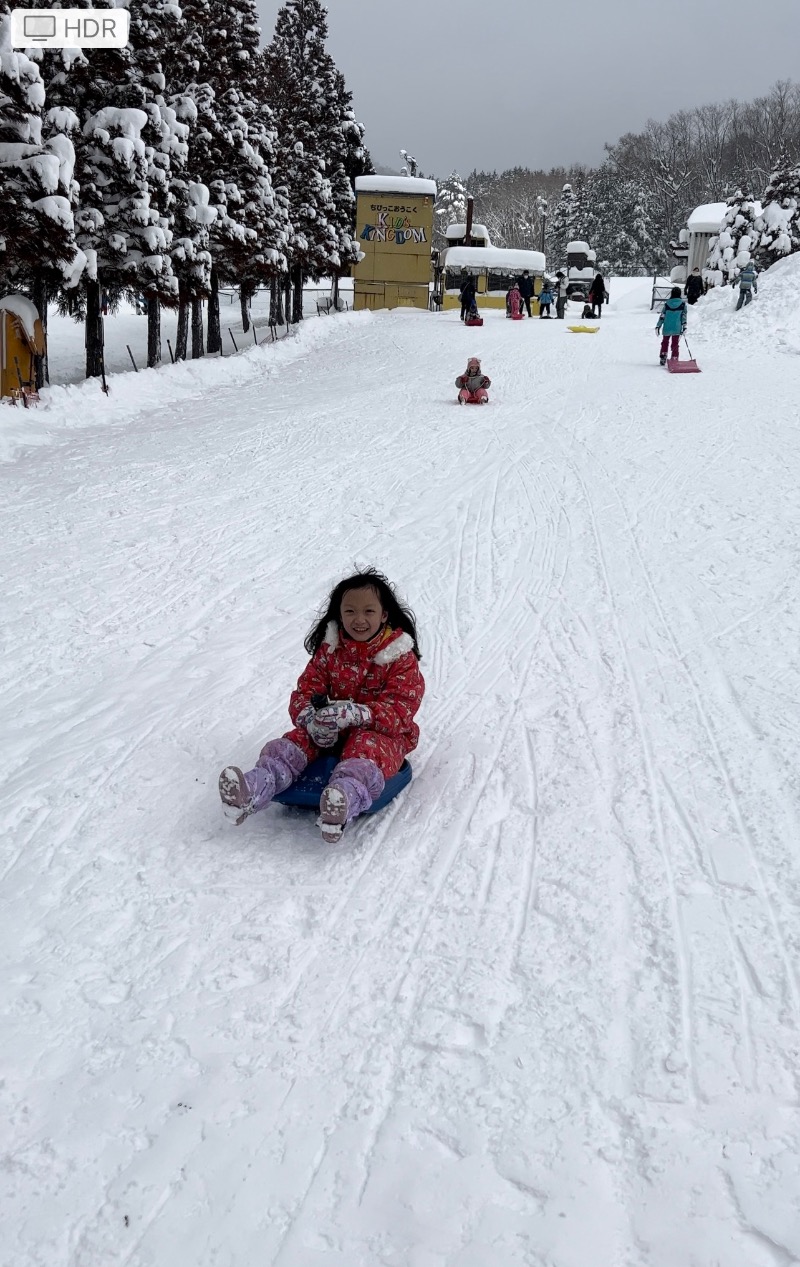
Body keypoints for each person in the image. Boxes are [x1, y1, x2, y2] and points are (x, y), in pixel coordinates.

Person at [219, 569, 424, 843]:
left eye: (368, 611)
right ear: (339, 614)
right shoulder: (330, 651)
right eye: (350, 611)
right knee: (296, 742)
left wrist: (360, 713)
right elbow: (305, 691)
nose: (359, 620)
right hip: (330, 731)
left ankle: (342, 799)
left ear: (384, 614)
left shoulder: (399, 657)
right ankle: (253, 787)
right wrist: (310, 719)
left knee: (366, 749)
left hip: (380, 734)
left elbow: (402, 709)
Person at [655, 285, 687, 364]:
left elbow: (662, 316)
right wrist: (684, 326)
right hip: (677, 327)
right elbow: (684, 317)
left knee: (665, 342)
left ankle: (663, 356)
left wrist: (658, 326)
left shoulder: (666, 304)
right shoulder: (682, 305)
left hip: (667, 327)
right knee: (675, 343)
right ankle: (674, 358)